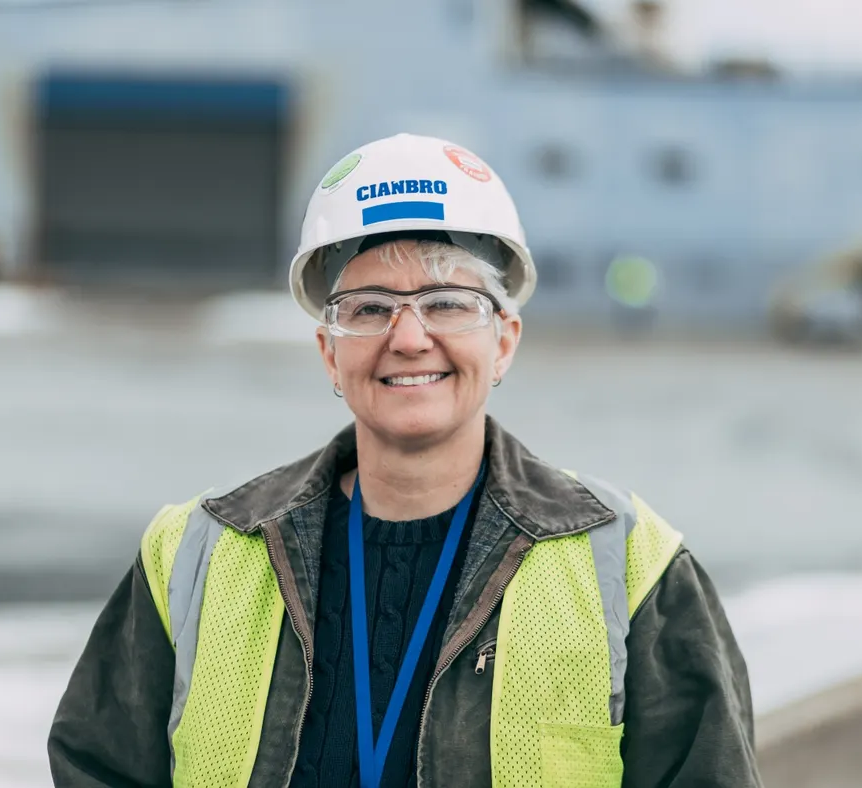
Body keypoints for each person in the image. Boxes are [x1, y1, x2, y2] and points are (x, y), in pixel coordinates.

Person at [48, 133, 761, 787]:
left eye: (448, 303)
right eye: (368, 307)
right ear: (330, 350)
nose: (410, 337)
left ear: (504, 340)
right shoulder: (196, 555)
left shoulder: (630, 565)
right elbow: (97, 768)